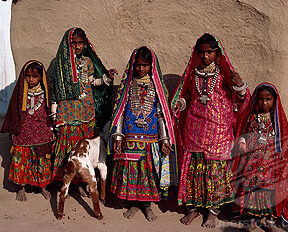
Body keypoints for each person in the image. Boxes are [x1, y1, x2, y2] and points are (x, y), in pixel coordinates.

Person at [171, 33, 250, 228]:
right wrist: (181, 103)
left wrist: (239, 84)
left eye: (210, 52)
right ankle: (194, 209)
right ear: (197, 53)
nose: (205, 56)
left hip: (218, 130)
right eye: (202, 52)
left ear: (217, 53)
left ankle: (213, 212)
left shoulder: (224, 74)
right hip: (194, 128)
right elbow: (187, 94)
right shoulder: (192, 73)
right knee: (194, 171)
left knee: (215, 172)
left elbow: (241, 98)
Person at [109, 46, 177, 222]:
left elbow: (162, 114)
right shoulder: (127, 85)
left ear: (151, 66)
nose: (141, 69)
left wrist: (164, 139)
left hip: (150, 138)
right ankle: (133, 203)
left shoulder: (158, 87)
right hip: (130, 136)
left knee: (148, 172)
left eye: (145, 65)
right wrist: (117, 135)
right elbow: (120, 111)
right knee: (131, 171)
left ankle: (146, 205)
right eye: (138, 65)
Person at [48, 27, 117, 196]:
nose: (77, 46)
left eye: (80, 43)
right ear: (68, 44)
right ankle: (64, 181)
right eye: (74, 43)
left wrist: (107, 78)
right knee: (66, 146)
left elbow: (93, 82)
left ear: (85, 44)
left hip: (86, 110)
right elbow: (56, 91)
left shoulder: (87, 61)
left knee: (82, 147)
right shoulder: (60, 64)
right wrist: (55, 115)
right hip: (68, 111)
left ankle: (79, 182)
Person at [232, 83, 288, 232]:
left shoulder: (277, 120)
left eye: (268, 99)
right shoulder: (251, 117)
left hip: (270, 163)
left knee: (270, 190)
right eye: (260, 99)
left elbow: (283, 141)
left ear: (274, 100)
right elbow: (243, 131)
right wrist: (242, 143)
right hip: (252, 162)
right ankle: (253, 220)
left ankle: (270, 220)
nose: (264, 103)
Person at [1, 60, 53, 202]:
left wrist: (50, 128)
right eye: (28, 76)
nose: (31, 79)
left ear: (41, 77)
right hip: (23, 133)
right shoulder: (20, 94)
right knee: (21, 160)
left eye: (35, 76)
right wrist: (14, 130)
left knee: (42, 160)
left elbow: (50, 113)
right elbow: (13, 112)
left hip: (41, 133)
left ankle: (42, 187)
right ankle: (20, 188)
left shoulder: (46, 94)